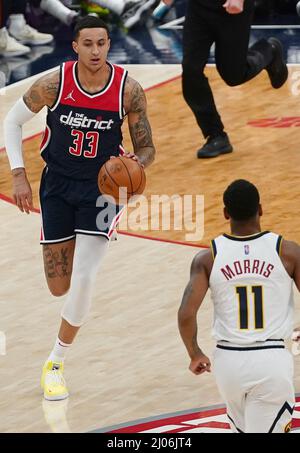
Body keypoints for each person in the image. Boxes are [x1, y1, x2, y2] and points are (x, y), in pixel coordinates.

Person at [4, 15, 155, 401]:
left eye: (101, 43)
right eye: (87, 44)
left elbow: (146, 147)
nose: (95, 51)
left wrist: (135, 169)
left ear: (109, 44)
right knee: (60, 288)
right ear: (75, 46)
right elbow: (12, 121)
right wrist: (19, 174)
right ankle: (61, 339)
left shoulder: (128, 90)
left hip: (102, 191)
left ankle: (55, 362)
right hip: (56, 184)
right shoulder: (56, 83)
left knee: (86, 276)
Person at [178, 179, 300, 433]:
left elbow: (186, 313)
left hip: (227, 363)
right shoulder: (287, 252)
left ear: (225, 213)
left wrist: (195, 353)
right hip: (271, 360)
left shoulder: (208, 257)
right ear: (261, 209)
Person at [182, 0, 288, 158]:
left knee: (233, 75)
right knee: (191, 69)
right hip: (198, 6)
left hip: (231, 6)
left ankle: (269, 51)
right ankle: (216, 135)